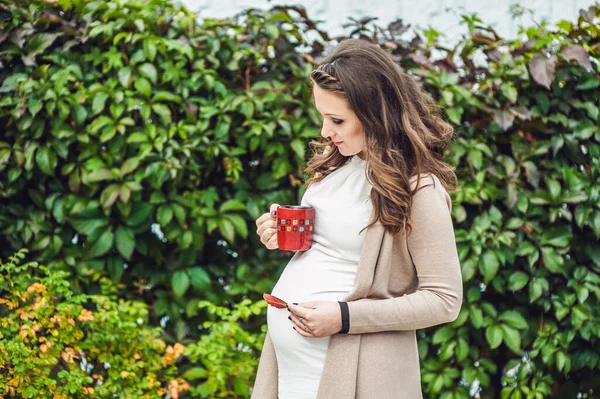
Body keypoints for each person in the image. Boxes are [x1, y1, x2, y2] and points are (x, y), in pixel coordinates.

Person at [251, 38, 463, 399]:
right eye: (322, 116)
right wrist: (280, 235)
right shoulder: (340, 166)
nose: (324, 132)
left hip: (356, 376)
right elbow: (331, 251)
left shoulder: (418, 189)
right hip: (293, 372)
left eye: (337, 120)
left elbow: (444, 299)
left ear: (375, 115)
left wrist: (345, 318)